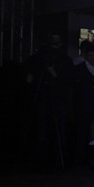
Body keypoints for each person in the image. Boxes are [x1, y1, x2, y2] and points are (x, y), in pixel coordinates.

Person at [24, 33, 74, 172]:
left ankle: (59, 162)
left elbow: (69, 81)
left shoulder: (65, 61)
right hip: (42, 100)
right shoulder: (38, 59)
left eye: (57, 40)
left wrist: (55, 75)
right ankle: (40, 162)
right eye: (53, 40)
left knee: (59, 131)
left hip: (59, 100)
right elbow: (29, 79)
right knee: (41, 131)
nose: (55, 43)